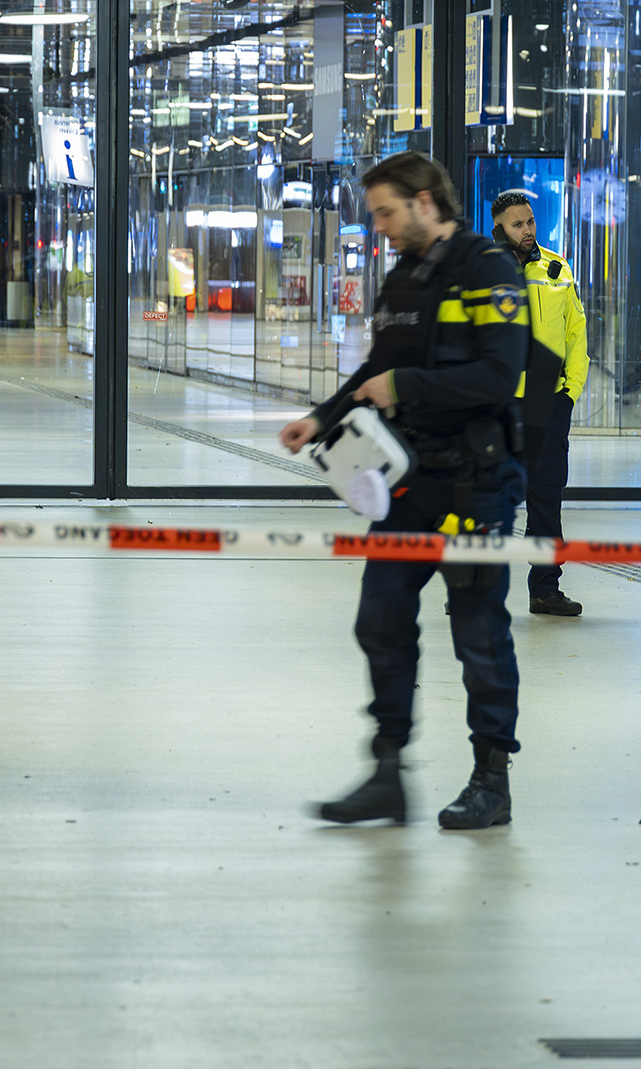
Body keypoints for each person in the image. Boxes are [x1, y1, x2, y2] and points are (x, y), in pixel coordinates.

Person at [280, 153, 530, 830]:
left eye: (387, 212)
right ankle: (388, 771)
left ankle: (490, 780)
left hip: (476, 483)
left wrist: (407, 388)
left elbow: (499, 376)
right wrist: (321, 417)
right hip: (409, 484)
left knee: (478, 631)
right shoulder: (402, 276)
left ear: (425, 200)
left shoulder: (488, 268)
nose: (381, 226)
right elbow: (378, 367)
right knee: (380, 618)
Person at [491, 189, 589, 617]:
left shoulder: (557, 269)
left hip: (547, 406)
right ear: (498, 228)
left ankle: (545, 589)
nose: (528, 230)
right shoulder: (480, 271)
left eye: (530, 221)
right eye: (517, 224)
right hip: (496, 405)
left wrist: (570, 393)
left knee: (546, 501)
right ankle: (473, 591)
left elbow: (576, 334)